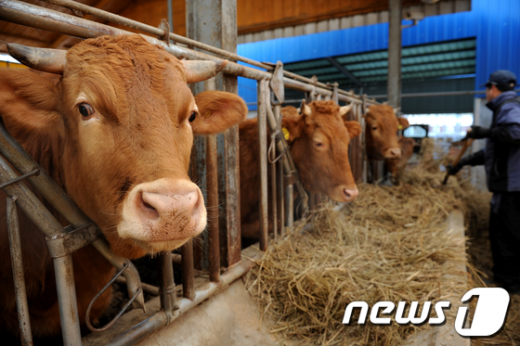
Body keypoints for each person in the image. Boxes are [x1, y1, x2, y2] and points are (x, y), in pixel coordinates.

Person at [448, 69, 520, 294]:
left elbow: (516, 133)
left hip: (512, 187)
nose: (487, 93)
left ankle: (509, 285)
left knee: (506, 235)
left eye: (488, 89)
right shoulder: (504, 109)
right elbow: (493, 151)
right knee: (502, 232)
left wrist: (483, 132)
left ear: (494, 88)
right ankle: (505, 279)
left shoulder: (509, 106)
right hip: (508, 186)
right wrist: (463, 162)